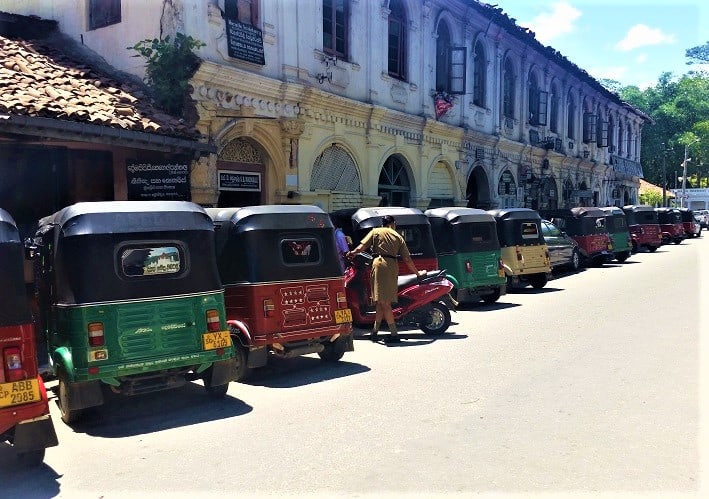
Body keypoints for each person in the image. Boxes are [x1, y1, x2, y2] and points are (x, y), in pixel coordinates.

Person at [347, 214, 426, 343]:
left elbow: (361, 247)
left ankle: (387, 334)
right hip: (391, 266)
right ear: (392, 224)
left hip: (378, 265)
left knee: (383, 303)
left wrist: (352, 253)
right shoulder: (397, 236)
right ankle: (382, 333)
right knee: (381, 302)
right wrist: (417, 273)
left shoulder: (375, 232)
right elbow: (407, 259)